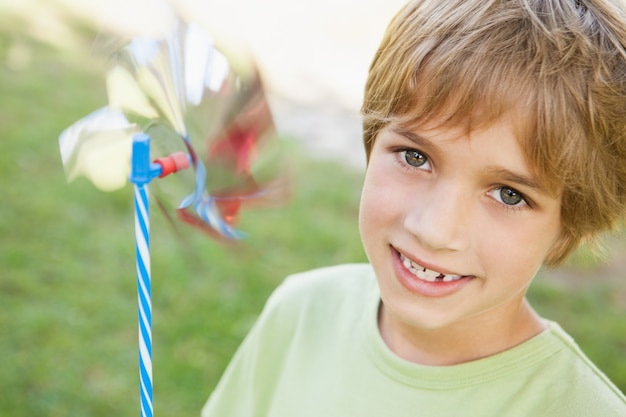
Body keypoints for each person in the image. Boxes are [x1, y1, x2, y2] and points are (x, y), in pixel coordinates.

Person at [201, 0, 626, 415]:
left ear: (570, 227)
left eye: (509, 194)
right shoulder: (299, 314)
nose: (435, 229)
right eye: (414, 157)